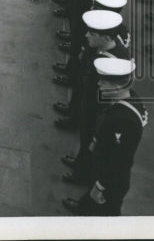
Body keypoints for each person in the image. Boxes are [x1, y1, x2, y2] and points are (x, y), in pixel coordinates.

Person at [63, 58, 147, 215]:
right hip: (102, 167)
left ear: (119, 86)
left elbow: (119, 161)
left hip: (111, 180)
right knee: (93, 201)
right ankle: (84, 207)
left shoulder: (125, 120)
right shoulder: (128, 98)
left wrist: (100, 186)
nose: (99, 84)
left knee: (105, 211)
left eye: (105, 82)